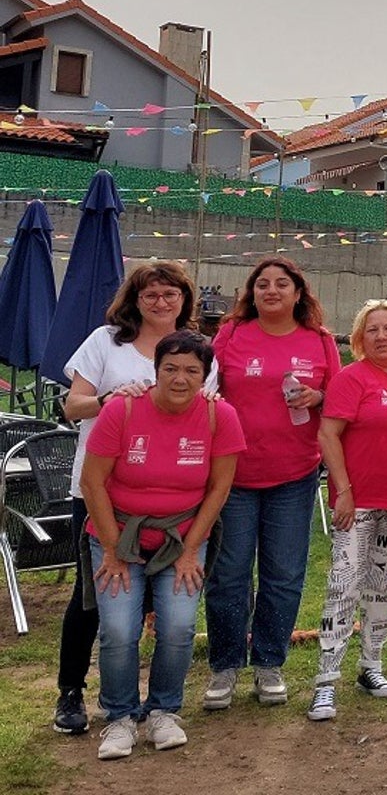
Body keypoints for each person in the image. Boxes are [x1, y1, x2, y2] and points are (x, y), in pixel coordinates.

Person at [53, 261, 216, 736]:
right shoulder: (107, 340)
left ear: (185, 299)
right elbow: (72, 405)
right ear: (135, 299)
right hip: (103, 488)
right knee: (93, 598)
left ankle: (157, 704)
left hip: (174, 495)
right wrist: (111, 398)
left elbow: (207, 411)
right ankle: (71, 692)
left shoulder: (198, 350)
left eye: (171, 294)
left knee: (166, 608)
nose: (161, 302)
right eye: (152, 295)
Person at [81, 331, 245, 759]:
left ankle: (163, 712)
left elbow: (219, 489)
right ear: (154, 372)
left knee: (178, 625)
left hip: (182, 536)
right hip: (118, 531)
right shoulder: (122, 409)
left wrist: (192, 550)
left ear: (205, 377)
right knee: (118, 628)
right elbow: (92, 481)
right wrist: (114, 551)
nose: (179, 378)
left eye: (192, 370)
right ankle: (119, 717)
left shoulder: (219, 416)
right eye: (170, 368)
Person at [203, 257, 340, 710]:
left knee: (283, 575)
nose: (272, 290)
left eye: (282, 284)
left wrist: (319, 396)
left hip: (294, 476)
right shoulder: (231, 335)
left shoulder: (319, 341)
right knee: (229, 575)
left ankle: (268, 663)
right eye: (262, 284)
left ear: (299, 293)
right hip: (233, 476)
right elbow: (204, 390)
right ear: (251, 292)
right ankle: (224, 666)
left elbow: (339, 402)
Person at [307, 300, 387, 721]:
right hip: (356, 502)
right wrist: (342, 490)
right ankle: (325, 680)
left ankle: (371, 665)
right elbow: (328, 434)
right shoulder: (350, 378)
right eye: (371, 329)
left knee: (383, 586)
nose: (381, 336)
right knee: (344, 584)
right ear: (359, 337)